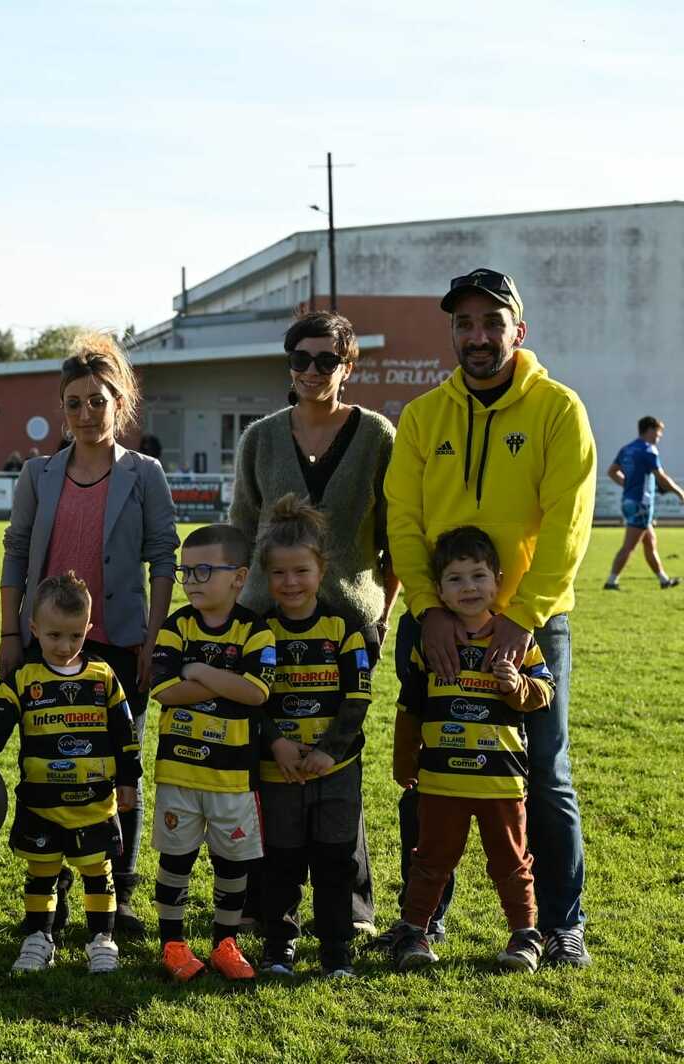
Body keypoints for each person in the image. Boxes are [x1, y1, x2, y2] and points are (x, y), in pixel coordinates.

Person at [382, 268, 596, 968]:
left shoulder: (558, 410)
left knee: (546, 774)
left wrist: (524, 615)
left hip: (529, 627)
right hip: (435, 620)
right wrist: (426, 608)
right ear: (453, 333)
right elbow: (403, 523)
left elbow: (569, 524)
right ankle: (423, 922)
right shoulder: (422, 417)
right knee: (425, 767)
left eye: (491, 324)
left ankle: (561, 925)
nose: (477, 337)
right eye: (464, 324)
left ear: (518, 331)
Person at [0, 333, 177, 938]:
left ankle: (118, 894)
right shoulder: (38, 473)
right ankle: (52, 896)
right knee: (52, 762)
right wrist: (8, 632)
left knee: (118, 767)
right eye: (73, 402)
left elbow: (163, 560)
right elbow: (17, 552)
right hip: (47, 641)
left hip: (121, 644)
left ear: (119, 401)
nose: (84, 414)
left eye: (96, 401)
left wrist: (152, 640)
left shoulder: (145, 474)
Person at [231, 311, 396, 935]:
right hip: (266, 621)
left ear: (347, 367)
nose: (311, 371)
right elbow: (243, 528)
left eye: (327, 360)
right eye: (300, 359)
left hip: (348, 624)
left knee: (339, 758)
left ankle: (349, 909)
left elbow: (392, 537)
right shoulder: (262, 437)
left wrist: (379, 607)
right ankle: (261, 905)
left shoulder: (378, 435)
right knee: (263, 760)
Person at [389, 527, 553, 973]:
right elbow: (411, 707)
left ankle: (524, 936)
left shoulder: (514, 640)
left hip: (501, 778)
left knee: (511, 860)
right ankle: (413, 932)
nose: (468, 588)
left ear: (498, 581)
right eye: (455, 579)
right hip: (442, 779)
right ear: (438, 588)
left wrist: (517, 687)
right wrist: (405, 760)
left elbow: (544, 692)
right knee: (430, 860)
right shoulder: (434, 643)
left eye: (478, 576)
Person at [0, 572, 140, 976]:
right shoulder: (24, 680)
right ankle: (38, 938)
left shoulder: (103, 679)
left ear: (88, 629)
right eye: (53, 636)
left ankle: (102, 940)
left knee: (99, 874)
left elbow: (126, 735)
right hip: (41, 805)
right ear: (34, 629)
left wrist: (128, 779)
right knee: (41, 873)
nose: (64, 647)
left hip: (95, 804)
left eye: (74, 637)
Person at [147, 524, 277, 982]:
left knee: (232, 863)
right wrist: (226, 684)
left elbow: (256, 692)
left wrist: (198, 669)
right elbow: (164, 689)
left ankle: (226, 943)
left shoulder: (255, 630)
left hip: (233, 777)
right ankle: (173, 944)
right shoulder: (175, 625)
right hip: (179, 773)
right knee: (175, 860)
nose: (193, 581)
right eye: (187, 572)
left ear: (239, 577)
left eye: (205, 570)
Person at [255, 496, 372, 979]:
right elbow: (251, 699)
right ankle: (279, 946)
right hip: (277, 769)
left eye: (301, 571)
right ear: (267, 576)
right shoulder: (258, 631)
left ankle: (336, 952)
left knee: (334, 861)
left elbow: (357, 699)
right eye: (279, 574)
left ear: (321, 570)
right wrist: (276, 742)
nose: (290, 583)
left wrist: (329, 750)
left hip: (334, 772)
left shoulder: (346, 629)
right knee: (280, 861)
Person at [605, 416, 683, 590]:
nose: (659, 437)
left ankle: (664, 580)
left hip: (628, 501)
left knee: (650, 542)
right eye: (658, 432)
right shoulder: (649, 450)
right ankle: (611, 581)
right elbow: (661, 478)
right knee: (629, 546)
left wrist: (627, 484)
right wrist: (680, 493)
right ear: (649, 430)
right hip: (641, 504)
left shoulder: (627, 449)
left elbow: (612, 472)